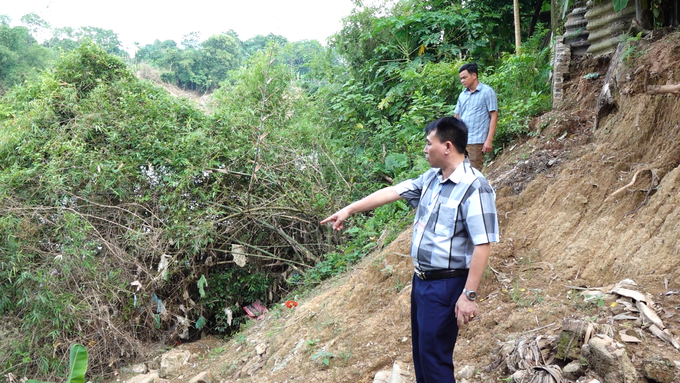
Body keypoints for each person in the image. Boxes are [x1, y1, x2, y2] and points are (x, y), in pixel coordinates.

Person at [321, 117, 499, 383]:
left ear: (447, 146)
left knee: (435, 358)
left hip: (447, 284)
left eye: (429, 143)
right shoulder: (431, 179)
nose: (425, 149)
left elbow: (483, 243)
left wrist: (469, 295)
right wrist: (349, 209)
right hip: (422, 282)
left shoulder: (475, 187)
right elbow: (393, 192)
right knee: (422, 355)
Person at [454, 63, 498, 171]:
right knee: (460, 171)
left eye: (465, 77)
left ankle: (479, 188)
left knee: (475, 172)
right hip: (461, 140)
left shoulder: (487, 92)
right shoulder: (462, 95)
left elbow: (494, 116)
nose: (462, 81)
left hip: (477, 140)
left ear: (474, 76)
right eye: (461, 78)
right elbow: (457, 116)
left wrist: (489, 140)